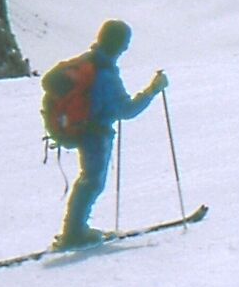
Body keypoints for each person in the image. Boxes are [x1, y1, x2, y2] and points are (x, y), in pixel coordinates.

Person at [55, 19, 167, 250]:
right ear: (115, 43)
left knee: (89, 180)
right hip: (96, 134)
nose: (125, 48)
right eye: (124, 43)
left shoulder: (90, 63)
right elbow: (126, 110)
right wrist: (153, 90)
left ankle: (74, 230)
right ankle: (73, 233)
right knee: (92, 182)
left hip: (85, 130)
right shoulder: (105, 74)